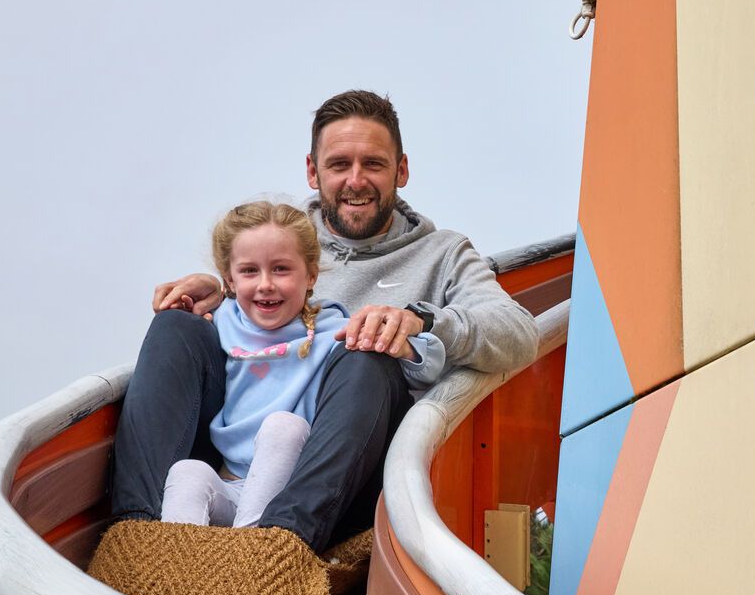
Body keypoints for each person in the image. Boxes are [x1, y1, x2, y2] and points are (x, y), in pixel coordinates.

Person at [111, 89, 539, 553]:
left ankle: (277, 550)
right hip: (235, 454)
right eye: (339, 165)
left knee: (366, 357)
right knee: (178, 326)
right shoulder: (280, 239)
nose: (356, 181)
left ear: (402, 170)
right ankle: (137, 535)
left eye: (373, 164)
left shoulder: (443, 254)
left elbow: (518, 332)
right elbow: (254, 303)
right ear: (313, 171)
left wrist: (419, 321)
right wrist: (224, 289)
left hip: (342, 468)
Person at [158, 200, 444, 529]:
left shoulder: (331, 328)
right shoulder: (220, 321)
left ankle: (253, 551)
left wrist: (407, 343)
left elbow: (427, 367)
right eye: (250, 271)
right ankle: (176, 561)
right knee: (187, 472)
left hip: (293, 496)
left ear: (310, 276)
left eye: (281, 269)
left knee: (284, 425)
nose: (265, 283)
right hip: (233, 485)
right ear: (230, 281)